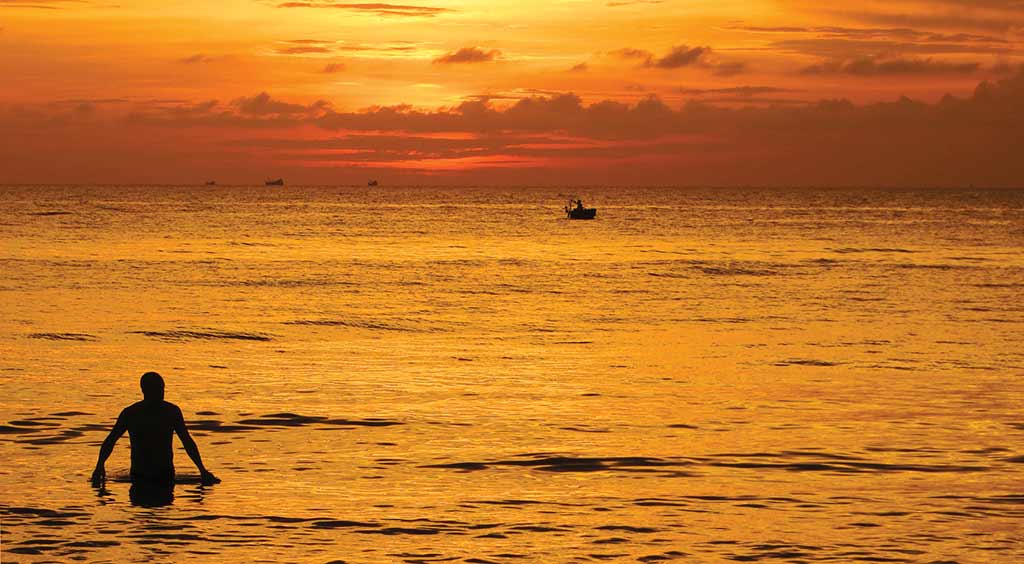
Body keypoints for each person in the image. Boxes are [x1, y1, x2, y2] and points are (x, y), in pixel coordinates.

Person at [91, 372, 219, 488]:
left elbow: (187, 441)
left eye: (162, 389)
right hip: (141, 474)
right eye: (158, 389)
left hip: (164, 474)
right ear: (145, 390)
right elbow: (111, 440)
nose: (162, 393)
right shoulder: (132, 413)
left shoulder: (170, 412)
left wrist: (202, 470)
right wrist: (99, 466)